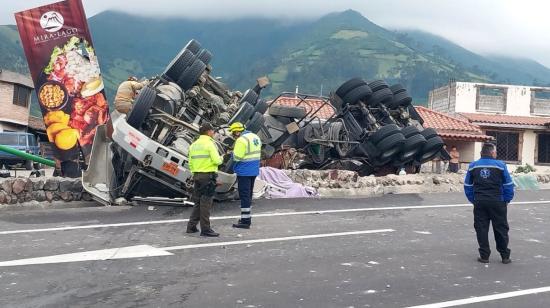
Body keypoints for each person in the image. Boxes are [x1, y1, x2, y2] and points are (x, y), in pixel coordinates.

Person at [464, 142, 515, 264]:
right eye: (495, 152)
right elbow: (508, 184)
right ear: (492, 153)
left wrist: (474, 200)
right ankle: (505, 256)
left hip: (480, 202)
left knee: (481, 229)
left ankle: (484, 256)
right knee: (501, 229)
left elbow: (467, 186)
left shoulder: (473, 166)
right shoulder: (500, 165)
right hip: (498, 202)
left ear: (482, 153)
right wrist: (506, 199)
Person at [186, 123, 223, 237]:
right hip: (208, 176)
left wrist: (195, 173)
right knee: (206, 203)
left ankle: (191, 227)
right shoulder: (210, 144)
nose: (213, 133)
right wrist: (222, 158)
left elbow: (190, 162)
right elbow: (217, 161)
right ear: (208, 132)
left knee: (198, 202)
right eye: (212, 131)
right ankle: (205, 229)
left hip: (197, 175)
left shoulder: (194, 145)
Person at [229, 122, 262, 229]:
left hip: (244, 172)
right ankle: (247, 218)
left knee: (244, 196)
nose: (233, 136)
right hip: (253, 171)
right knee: (248, 195)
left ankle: (245, 221)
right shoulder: (255, 137)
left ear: (237, 132)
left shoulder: (241, 140)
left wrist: (231, 153)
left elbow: (237, 157)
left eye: (233, 133)